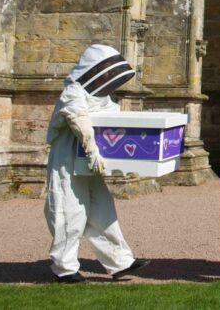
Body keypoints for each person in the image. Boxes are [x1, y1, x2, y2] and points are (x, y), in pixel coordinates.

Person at [43, 44, 150, 283]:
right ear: (94, 69)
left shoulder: (101, 97)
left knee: (102, 208)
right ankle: (64, 268)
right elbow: (78, 118)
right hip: (67, 159)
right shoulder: (73, 91)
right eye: (105, 71)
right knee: (67, 210)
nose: (108, 77)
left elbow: (111, 121)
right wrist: (91, 150)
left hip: (91, 161)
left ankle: (119, 262)